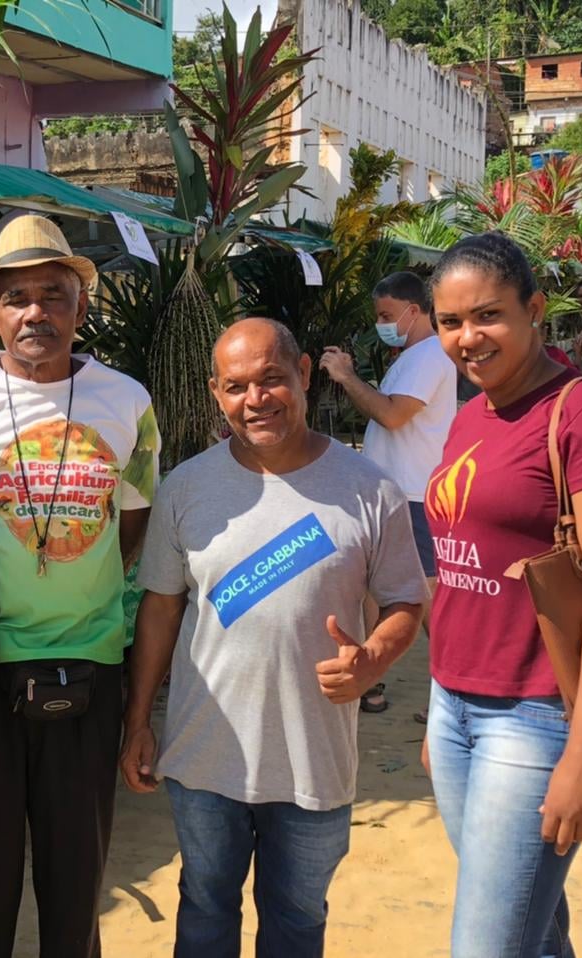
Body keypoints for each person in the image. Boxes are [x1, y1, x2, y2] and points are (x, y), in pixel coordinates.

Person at [120, 317, 428, 957]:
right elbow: (161, 609)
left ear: (305, 373)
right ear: (216, 393)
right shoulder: (186, 487)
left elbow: (405, 600)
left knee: (296, 920)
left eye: (271, 379)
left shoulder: (369, 489)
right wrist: (138, 720)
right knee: (205, 911)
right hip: (203, 758)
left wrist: (374, 658)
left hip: (313, 758)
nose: (255, 399)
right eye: (236, 387)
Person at [0, 214, 160, 958]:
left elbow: (134, 522)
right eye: (16, 297)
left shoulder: (128, 402)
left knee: (74, 888)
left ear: (81, 307)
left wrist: (76, 588)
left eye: (54, 294)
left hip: (90, 669)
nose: (35, 312)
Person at [423, 232, 582, 957]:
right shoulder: (471, 414)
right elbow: (463, 568)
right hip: (455, 707)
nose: (468, 338)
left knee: (488, 946)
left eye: (487, 315)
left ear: (534, 309)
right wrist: (442, 706)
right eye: (450, 322)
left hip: (537, 714)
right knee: (536, 931)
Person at [319, 271, 456, 715]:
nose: (381, 324)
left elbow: (393, 415)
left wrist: (346, 378)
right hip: (394, 493)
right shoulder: (414, 356)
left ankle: (459, 692)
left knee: (428, 598)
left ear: (414, 311)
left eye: (386, 315)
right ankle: (369, 680)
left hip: (414, 494)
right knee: (371, 589)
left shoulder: (429, 356)